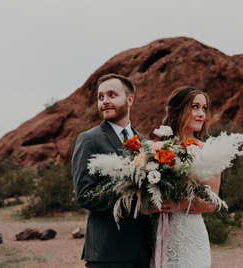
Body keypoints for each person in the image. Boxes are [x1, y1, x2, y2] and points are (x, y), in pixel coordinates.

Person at [72, 74, 173, 268]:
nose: (105, 101)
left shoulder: (145, 142)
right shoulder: (89, 139)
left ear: (130, 99)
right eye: (101, 97)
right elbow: (85, 195)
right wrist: (139, 206)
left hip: (144, 251)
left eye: (112, 95)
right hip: (108, 253)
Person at [152, 86, 221, 268]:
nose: (201, 114)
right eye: (195, 107)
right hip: (154, 235)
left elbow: (212, 202)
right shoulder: (156, 148)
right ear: (178, 110)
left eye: (204, 108)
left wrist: (178, 204)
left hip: (189, 239)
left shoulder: (208, 151)